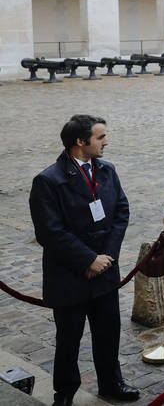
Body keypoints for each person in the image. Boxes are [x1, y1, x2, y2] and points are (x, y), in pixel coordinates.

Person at [29, 115, 139, 406]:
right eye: (100, 137)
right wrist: (88, 260)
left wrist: (107, 257)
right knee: (69, 339)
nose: (106, 142)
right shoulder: (49, 180)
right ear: (80, 142)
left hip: (104, 271)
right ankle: (64, 393)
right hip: (70, 275)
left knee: (108, 332)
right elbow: (49, 232)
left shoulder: (107, 170)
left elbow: (121, 212)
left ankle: (111, 382)